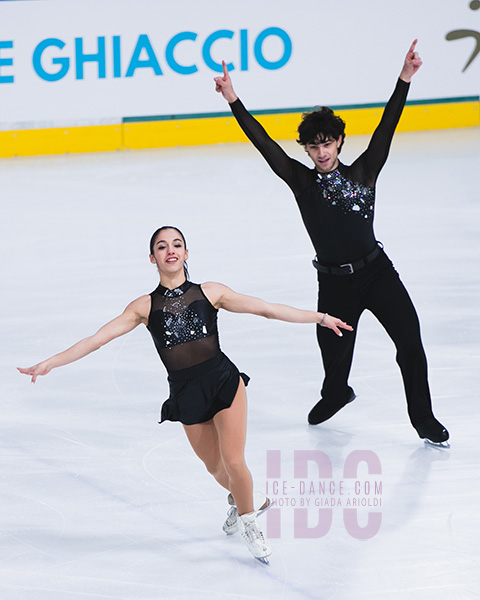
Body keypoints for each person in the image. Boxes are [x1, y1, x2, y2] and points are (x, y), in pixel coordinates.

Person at [18, 225, 353, 562]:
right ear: (153, 258)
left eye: (177, 244)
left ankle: (250, 522)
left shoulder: (211, 292)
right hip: (186, 393)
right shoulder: (143, 307)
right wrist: (51, 363)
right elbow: (97, 339)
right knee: (217, 469)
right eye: (162, 247)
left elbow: (265, 308)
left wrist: (320, 317)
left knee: (234, 461)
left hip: (223, 382)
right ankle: (249, 499)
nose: (170, 250)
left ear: (187, 253)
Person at [214, 40, 449, 445]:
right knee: (333, 354)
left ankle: (424, 418)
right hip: (335, 284)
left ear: (339, 141)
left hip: (378, 273)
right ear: (305, 148)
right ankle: (336, 393)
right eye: (314, 145)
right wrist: (234, 99)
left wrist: (404, 79)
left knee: (410, 341)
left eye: (327, 143)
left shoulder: (364, 173)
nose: (321, 152)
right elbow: (264, 142)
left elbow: (386, 127)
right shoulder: (301, 181)